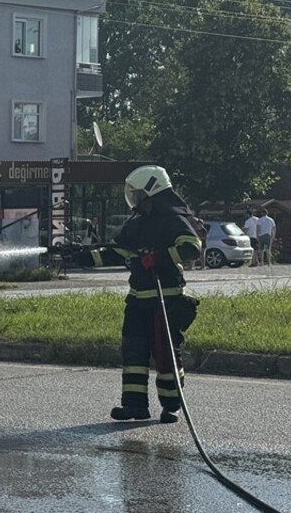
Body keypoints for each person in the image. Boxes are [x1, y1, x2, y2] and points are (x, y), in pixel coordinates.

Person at [76, 165, 202, 424]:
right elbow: (119, 251)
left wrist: (156, 258)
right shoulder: (136, 223)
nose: (133, 199)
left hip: (166, 299)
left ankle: (171, 406)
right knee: (133, 353)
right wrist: (82, 257)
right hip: (137, 299)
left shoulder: (173, 219)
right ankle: (134, 406)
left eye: (137, 194)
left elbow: (191, 247)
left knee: (165, 354)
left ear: (151, 192)